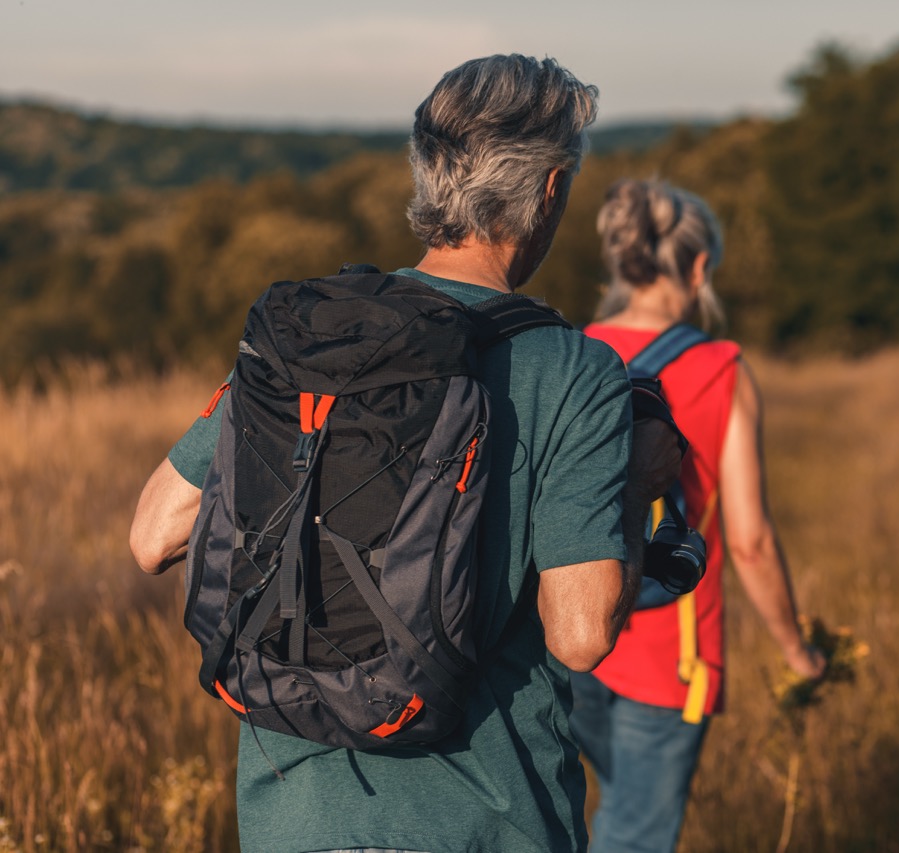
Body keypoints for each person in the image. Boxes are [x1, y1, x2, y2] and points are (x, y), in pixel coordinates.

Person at [129, 55, 681, 853]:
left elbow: (153, 535)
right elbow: (580, 632)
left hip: (294, 826)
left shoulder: (311, 337)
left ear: (427, 175)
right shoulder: (575, 370)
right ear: (551, 191)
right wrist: (637, 487)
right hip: (487, 827)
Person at [569, 179, 827, 853]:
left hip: (568, 635)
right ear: (700, 266)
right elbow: (749, 540)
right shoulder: (721, 370)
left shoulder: (571, 355)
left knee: (594, 818)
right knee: (635, 834)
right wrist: (798, 650)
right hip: (670, 654)